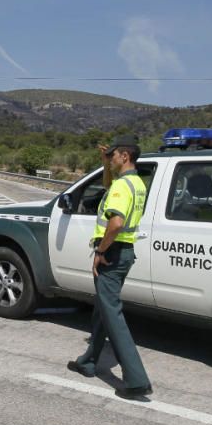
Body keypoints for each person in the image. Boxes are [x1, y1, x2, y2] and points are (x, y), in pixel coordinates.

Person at [66, 135, 152, 399]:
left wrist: (100, 251)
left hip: (111, 254)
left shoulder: (123, 187)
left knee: (112, 313)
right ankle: (89, 361)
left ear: (125, 156)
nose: (111, 158)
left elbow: (114, 224)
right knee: (103, 307)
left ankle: (137, 379)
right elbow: (109, 185)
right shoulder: (135, 183)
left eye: (113, 155)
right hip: (124, 254)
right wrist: (105, 164)